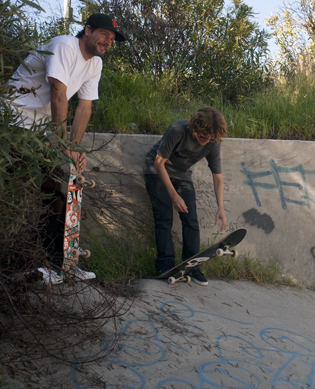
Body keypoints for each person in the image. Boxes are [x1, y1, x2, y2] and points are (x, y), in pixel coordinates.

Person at [6, 13, 126, 282]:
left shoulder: (94, 63)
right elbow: (58, 94)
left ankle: (60, 264)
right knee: (33, 194)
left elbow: (84, 107)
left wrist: (75, 148)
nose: (108, 41)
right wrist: (63, 145)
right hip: (12, 127)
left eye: (112, 38)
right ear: (88, 30)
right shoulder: (64, 46)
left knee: (54, 195)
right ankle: (40, 265)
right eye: (105, 34)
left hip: (34, 133)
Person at [144, 107, 228, 286]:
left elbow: (218, 178)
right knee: (164, 218)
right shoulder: (177, 130)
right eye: (202, 137)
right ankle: (165, 264)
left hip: (181, 175)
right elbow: (159, 163)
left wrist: (220, 207)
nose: (205, 142)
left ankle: (192, 266)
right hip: (156, 171)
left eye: (210, 138)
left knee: (191, 220)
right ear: (194, 127)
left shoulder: (212, 142)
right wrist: (173, 196)